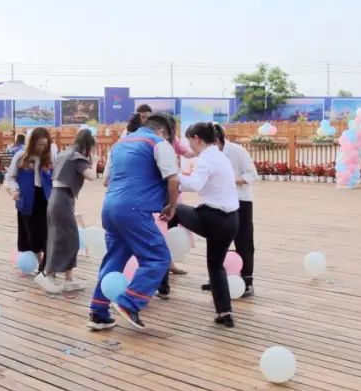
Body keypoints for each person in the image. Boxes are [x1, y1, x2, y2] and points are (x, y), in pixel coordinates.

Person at [89, 114, 179, 330]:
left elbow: (106, 180)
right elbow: (173, 179)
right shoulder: (159, 143)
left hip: (110, 207)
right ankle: (130, 303)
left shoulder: (119, 145)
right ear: (163, 131)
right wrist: (172, 205)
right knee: (158, 257)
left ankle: (98, 311)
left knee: (114, 259)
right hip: (135, 210)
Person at [175, 122, 240, 326]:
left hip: (212, 218)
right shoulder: (220, 156)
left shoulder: (206, 158)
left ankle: (166, 254)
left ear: (196, 138)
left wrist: (172, 175)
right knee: (216, 265)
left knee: (174, 209)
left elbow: (194, 185)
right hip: (231, 221)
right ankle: (224, 313)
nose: (189, 146)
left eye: (189, 140)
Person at [40, 128, 99, 294]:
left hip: (55, 198)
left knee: (64, 238)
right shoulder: (77, 157)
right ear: (87, 146)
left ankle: (68, 279)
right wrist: (94, 161)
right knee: (67, 240)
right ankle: (47, 275)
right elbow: (92, 176)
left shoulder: (64, 154)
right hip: (62, 200)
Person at [214, 124, 258, 298]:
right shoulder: (209, 155)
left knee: (244, 241)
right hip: (219, 202)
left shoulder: (237, 151)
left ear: (217, 140)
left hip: (241, 201)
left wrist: (231, 180)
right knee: (218, 241)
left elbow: (252, 175)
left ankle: (247, 281)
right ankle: (218, 278)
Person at [5, 127, 53, 282]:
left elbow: (56, 176)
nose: (42, 148)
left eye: (45, 144)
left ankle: (46, 267)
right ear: (32, 143)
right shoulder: (21, 156)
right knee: (32, 235)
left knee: (48, 234)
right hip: (27, 199)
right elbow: (10, 177)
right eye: (39, 144)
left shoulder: (50, 157)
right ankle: (39, 264)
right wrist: (14, 191)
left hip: (45, 198)